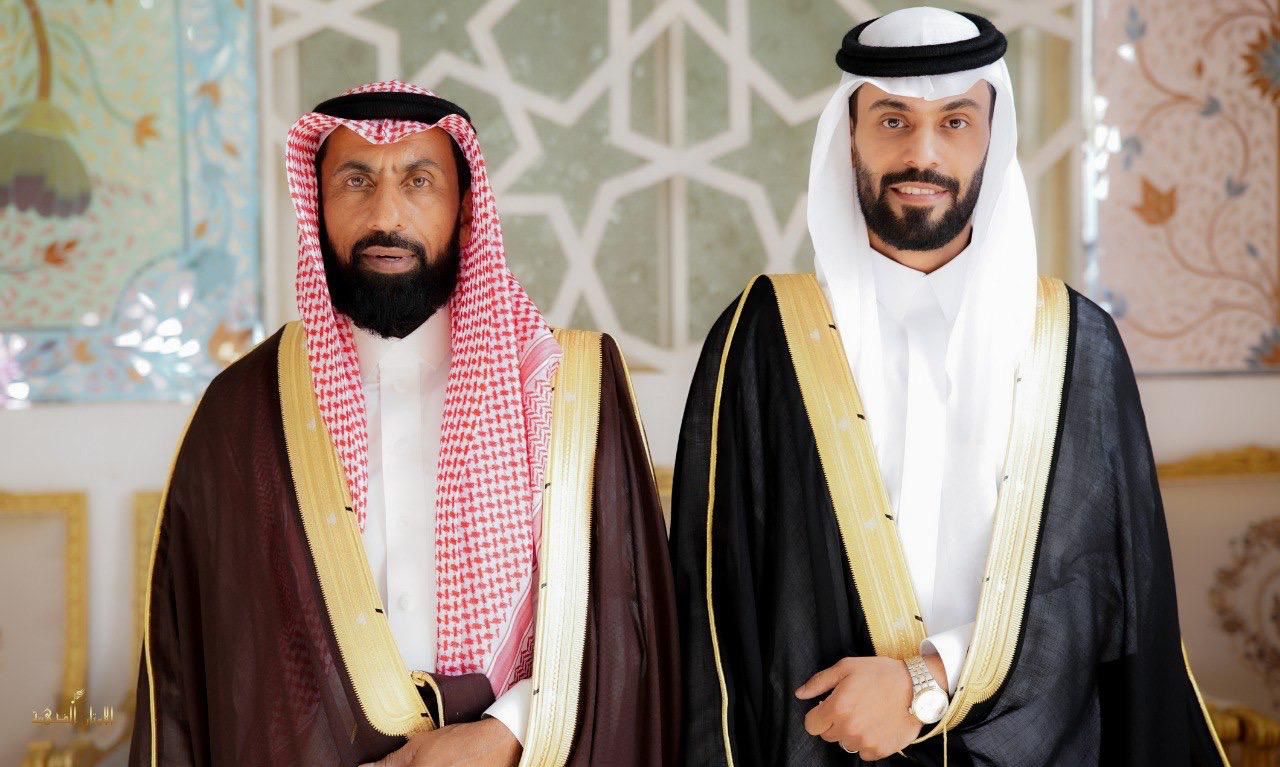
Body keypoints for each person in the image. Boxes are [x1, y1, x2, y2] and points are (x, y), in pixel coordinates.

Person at [669, 8, 1227, 765]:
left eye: (955, 122)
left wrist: (928, 678)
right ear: (850, 136)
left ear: (993, 139)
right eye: (892, 120)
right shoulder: (763, 337)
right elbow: (713, 610)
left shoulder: (1074, 344)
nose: (922, 153)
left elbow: (1100, 593)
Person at [129, 80, 678, 767]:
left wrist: (509, 732)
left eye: (419, 180)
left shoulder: (568, 387)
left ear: (465, 211)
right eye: (355, 181)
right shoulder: (243, 408)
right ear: (316, 206)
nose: (385, 213)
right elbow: (197, 672)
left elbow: (627, 624)